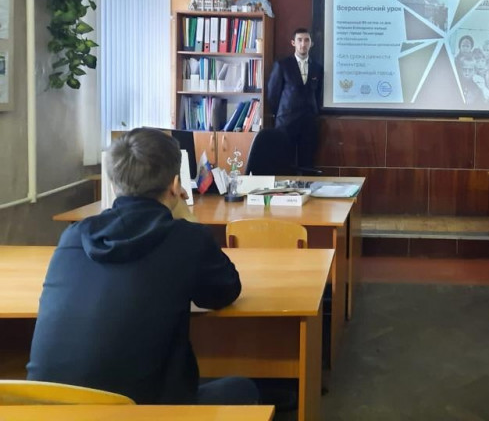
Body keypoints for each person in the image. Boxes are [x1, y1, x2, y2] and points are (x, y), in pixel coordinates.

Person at [27, 128, 258, 405]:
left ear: (114, 185)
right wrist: (187, 217)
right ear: (175, 184)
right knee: (243, 389)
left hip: (44, 408)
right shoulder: (187, 239)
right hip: (135, 410)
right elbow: (225, 291)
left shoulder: (74, 236)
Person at [267, 27, 323, 169]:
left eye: (306, 40)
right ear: (293, 43)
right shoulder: (282, 65)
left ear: (311, 43)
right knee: (284, 162)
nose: (303, 44)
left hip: (309, 122)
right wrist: (282, 113)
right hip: (286, 121)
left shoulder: (317, 67)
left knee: (307, 163)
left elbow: (318, 94)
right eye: (299, 40)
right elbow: (273, 94)